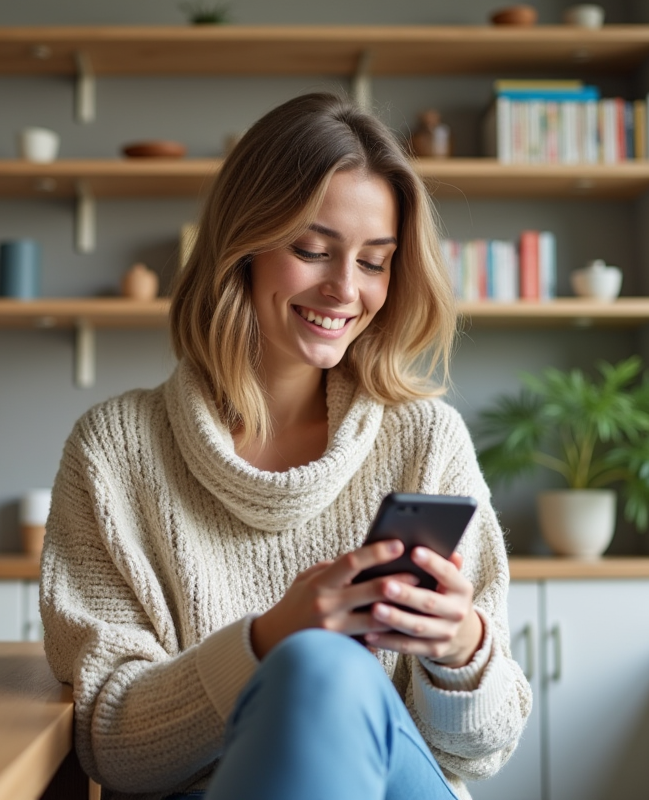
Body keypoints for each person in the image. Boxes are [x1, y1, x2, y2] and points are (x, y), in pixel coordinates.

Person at [40, 92, 532, 800]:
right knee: (314, 665)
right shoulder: (114, 452)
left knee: (325, 669)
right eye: (312, 250)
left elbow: (485, 750)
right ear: (243, 244)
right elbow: (111, 746)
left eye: (375, 262)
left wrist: (463, 651)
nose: (345, 289)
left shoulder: (426, 439)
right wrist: (270, 642)